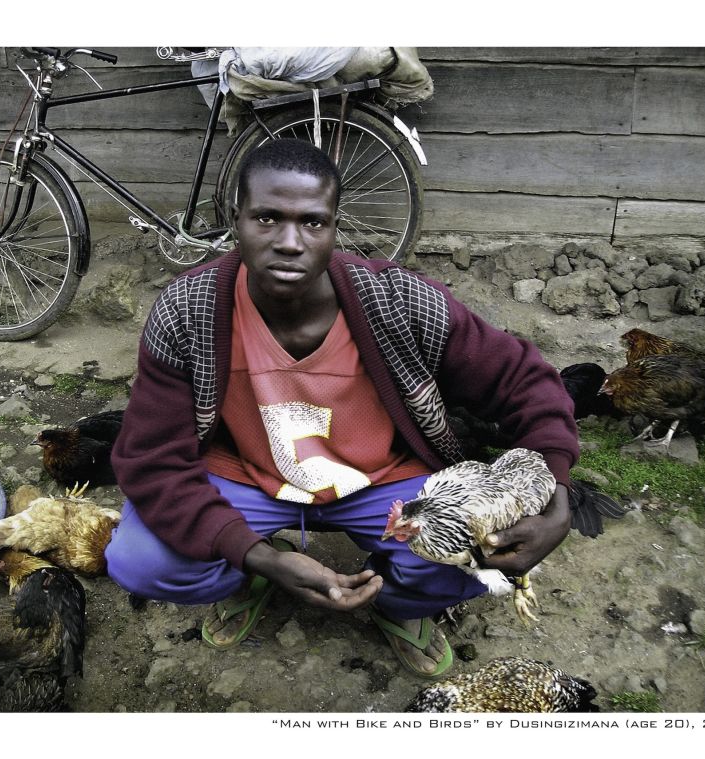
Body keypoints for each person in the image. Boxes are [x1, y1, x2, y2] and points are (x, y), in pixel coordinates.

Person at [106, 138, 579, 678]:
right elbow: (152, 462)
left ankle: (399, 602)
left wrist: (557, 497)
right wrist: (256, 555)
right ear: (232, 218)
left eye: (312, 222)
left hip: (382, 482)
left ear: (334, 226)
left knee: (473, 557)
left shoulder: (399, 302)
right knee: (141, 559)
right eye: (266, 217)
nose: (289, 242)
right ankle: (254, 574)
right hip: (251, 480)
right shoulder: (188, 312)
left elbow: (527, 383)